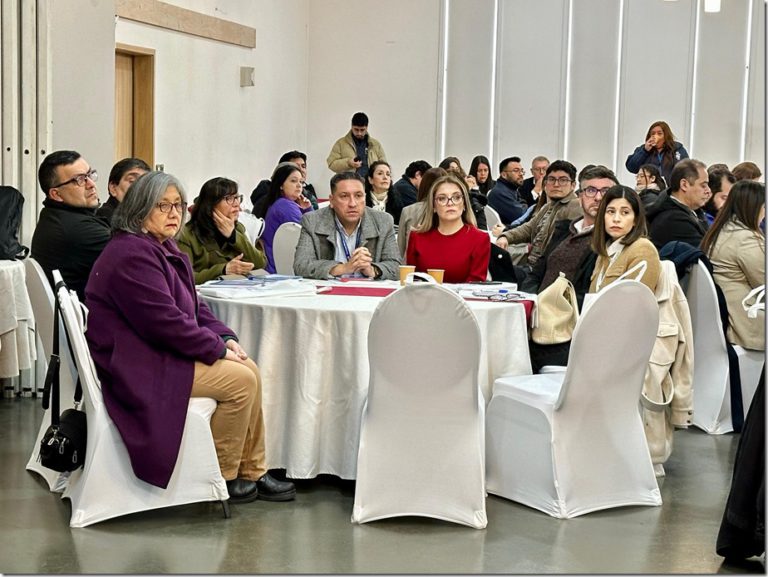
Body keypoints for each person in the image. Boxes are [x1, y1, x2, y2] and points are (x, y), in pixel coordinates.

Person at [85, 171, 295, 503]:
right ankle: (221, 476)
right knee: (240, 381)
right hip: (136, 363)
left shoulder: (160, 246)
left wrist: (224, 337)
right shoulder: (131, 254)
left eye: (178, 205)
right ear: (139, 208)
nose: (174, 213)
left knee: (249, 369)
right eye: (163, 206)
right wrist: (215, 349)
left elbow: (193, 307)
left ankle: (252, 471)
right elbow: (164, 323)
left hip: (152, 352)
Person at [522, 165, 617, 372]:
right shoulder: (565, 229)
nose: (598, 197)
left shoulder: (611, 241)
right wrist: (531, 301)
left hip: (566, 329)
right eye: (590, 190)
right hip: (537, 317)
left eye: (606, 191)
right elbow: (537, 271)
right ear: (580, 196)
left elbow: (593, 296)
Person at [31, 150, 111, 300]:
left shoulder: (53, 215)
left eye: (89, 175)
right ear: (56, 194)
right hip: (88, 312)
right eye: (79, 180)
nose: (91, 184)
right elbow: (139, 256)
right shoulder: (78, 229)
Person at [293, 172, 401, 280]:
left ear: (365, 198)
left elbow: (396, 267)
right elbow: (301, 265)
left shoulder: (383, 221)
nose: (352, 204)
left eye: (358, 196)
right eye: (344, 196)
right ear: (331, 200)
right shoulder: (312, 221)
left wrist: (372, 270)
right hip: (329, 289)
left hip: (368, 289)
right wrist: (343, 268)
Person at [700, 180, 765, 351]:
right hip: (747, 322)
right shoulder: (746, 239)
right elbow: (763, 286)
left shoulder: (720, 230)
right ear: (753, 208)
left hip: (729, 317)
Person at [496, 160, 582, 280]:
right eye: (551, 179)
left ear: (573, 185)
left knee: (496, 270)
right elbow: (528, 228)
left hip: (545, 273)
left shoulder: (575, 206)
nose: (556, 184)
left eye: (563, 180)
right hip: (531, 266)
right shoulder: (548, 206)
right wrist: (505, 236)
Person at [178, 177, 267, 284]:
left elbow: (260, 263)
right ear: (210, 204)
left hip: (236, 290)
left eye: (237, 198)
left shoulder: (237, 228)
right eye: (229, 198)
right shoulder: (186, 234)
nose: (236, 204)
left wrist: (233, 237)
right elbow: (184, 277)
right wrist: (223, 270)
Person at [406, 174, 490, 283]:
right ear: (433, 206)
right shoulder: (417, 237)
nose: (450, 203)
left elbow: (475, 285)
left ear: (464, 204)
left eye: (457, 197)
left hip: (464, 294)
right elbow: (412, 281)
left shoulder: (480, 239)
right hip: (424, 294)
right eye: (442, 198)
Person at [590, 186, 661, 294]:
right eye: (611, 211)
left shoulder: (643, 249)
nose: (616, 219)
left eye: (625, 212)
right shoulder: (604, 252)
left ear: (635, 219)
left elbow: (636, 300)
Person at [260, 163, 314, 273]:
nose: (299, 186)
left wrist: (306, 209)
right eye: (293, 181)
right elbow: (312, 233)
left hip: (277, 266)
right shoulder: (285, 206)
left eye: (301, 182)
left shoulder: (278, 203)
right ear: (281, 185)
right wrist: (308, 210)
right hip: (280, 270)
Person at [647, 159, 711, 249]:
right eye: (703, 185)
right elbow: (708, 252)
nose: (708, 191)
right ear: (684, 185)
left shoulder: (692, 211)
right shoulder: (673, 220)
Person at [397, 167, 448, 256]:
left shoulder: (408, 211)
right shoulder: (451, 211)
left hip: (411, 262)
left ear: (423, 186)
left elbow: (400, 248)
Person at [250, 150, 319, 214]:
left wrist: (308, 209)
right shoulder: (279, 202)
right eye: (296, 166)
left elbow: (315, 218)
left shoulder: (307, 195)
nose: (301, 170)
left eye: (303, 166)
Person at [625, 120, 689, 186]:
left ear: (666, 136)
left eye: (659, 133)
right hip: (649, 188)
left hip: (670, 189)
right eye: (653, 134)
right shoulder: (643, 149)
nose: (655, 136)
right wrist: (645, 151)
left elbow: (685, 170)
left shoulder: (677, 149)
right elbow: (631, 167)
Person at [326, 112, 386, 179]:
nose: (359, 133)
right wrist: (348, 163)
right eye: (356, 129)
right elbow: (331, 164)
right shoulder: (340, 143)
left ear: (367, 128)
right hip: (349, 183)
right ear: (351, 126)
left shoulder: (375, 145)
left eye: (362, 130)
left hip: (371, 183)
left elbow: (384, 166)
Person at [96, 157, 151, 222]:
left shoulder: (142, 218)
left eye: (145, 183)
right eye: (132, 181)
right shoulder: (103, 218)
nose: (140, 187)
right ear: (113, 188)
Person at [487, 156, 527, 225]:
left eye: (521, 171)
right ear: (504, 175)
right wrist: (525, 205)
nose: (521, 174)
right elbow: (521, 216)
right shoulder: (500, 192)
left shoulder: (511, 188)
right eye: (516, 170)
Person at [390, 160, 432, 225]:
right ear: (417, 174)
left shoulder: (404, 185)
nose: (428, 184)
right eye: (427, 179)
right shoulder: (405, 188)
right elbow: (421, 210)